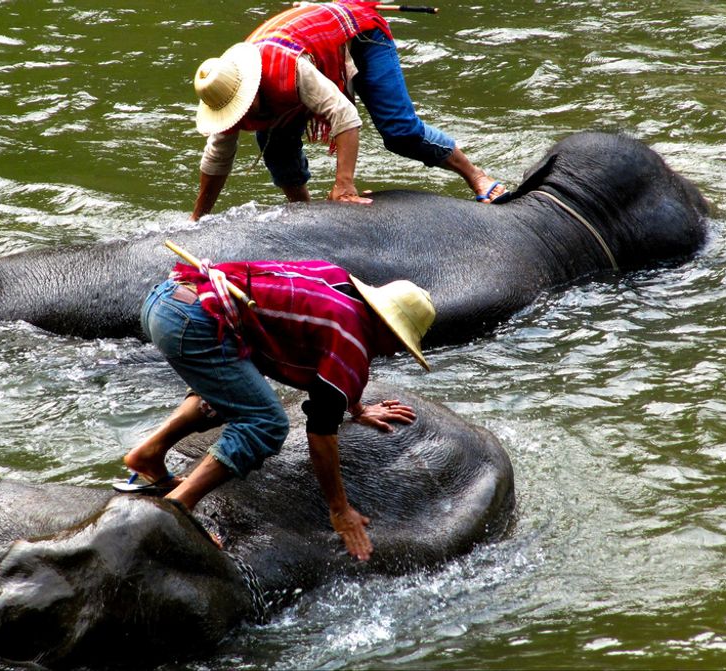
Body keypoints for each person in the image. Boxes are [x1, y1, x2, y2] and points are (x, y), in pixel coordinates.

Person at [118, 257, 436, 561]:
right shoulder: (351, 342)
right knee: (267, 423)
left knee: (234, 392)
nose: (395, 351)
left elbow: (323, 353)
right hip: (196, 322)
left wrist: (356, 408)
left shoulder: (336, 280)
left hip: (170, 298)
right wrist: (340, 510)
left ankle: (149, 453)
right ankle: (179, 508)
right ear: (386, 328)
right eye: (400, 342)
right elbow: (321, 432)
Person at [189, 0, 507, 221]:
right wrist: (198, 219)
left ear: (254, 88)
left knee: (400, 132)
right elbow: (217, 158)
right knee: (274, 143)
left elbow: (344, 115)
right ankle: (305, 211)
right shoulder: (223, 92)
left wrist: (344, 185)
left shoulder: (289, 70)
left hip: (359, 35)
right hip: (303, 43)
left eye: (245, 106)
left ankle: (477, 177)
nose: (242, 115)